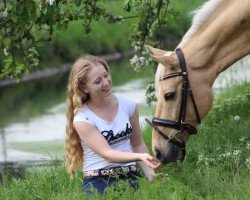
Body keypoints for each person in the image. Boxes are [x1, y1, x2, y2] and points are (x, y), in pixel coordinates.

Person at [65, 55, 161, 195]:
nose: (106, 82)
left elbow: (137, 144)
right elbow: (107, 154)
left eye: (106, 75)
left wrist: (152, 177)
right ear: (84, 88)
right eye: (98, 81)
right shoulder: (82, 119)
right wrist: (140, 157)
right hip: (98, 182)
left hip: (131, 176)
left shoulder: (128, 105)